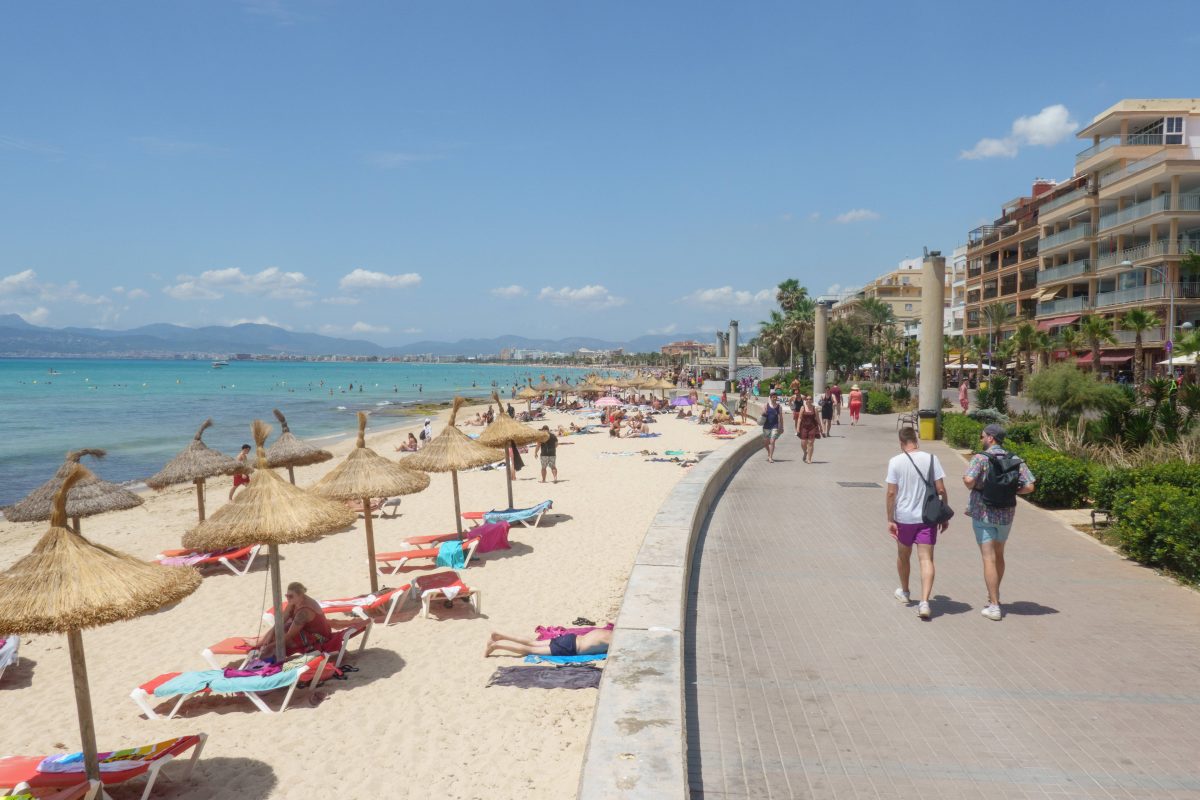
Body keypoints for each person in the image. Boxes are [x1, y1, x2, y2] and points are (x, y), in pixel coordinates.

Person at [962, 424, 1036, 622]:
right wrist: (1012, 491)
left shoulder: (980, 458)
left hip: (983, 513)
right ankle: (994, 593)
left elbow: (969, 480)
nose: (981, 439)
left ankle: (994, 605)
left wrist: (977, 484)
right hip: (1006, 514)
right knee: (999, 554)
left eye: (982, 436)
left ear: (991, 438)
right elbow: (1029, 486)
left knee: (988, 558)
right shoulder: (1015, 459)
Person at [885, 427, 949, 619]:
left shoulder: (895, 461)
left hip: (904, 517)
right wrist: (943, 514)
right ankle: (924, 602)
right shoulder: (931, 459)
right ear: (916, 439)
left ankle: (905, 592)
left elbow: (891, 492)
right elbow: (941, 489)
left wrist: (890, 518)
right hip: (926, 518)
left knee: (903, 556)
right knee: (926, 559)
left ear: (901, 442)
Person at [255, 581, 332, 655]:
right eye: (287, 596)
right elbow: (281, 620)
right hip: (307, 630)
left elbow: (289, 635)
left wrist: (270, 646)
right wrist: (271, 634)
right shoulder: (296, 601)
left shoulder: (304, 612)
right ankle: (261, 642)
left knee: (282, 637)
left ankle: (261, 643)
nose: (288, 598)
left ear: (301, 595)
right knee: (279, 630)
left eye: (291, 596)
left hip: (320, 637)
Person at [485, 627, 612, 658]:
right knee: (531, 650)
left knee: (532, 643)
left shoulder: (607, 631)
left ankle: (500, 635)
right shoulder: (611, 640)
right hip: (572, 647)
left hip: (571, 638)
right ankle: (496, 645)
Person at [796, 395, 821, 463]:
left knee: (810, 443)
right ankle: (805, 452)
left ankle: (809, 459)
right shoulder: (802, 408)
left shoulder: (814, 408)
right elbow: (799, 418)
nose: (808, 400)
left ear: (812, 400)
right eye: (807, 399)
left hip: (812, 427)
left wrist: (821, 427)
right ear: (805, 400)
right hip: (804, 427)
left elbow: (818, 419)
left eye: (810, 399)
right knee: (803, 443)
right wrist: (797, 428)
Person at [761, 392, 784, 463]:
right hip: (766, 426)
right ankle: (769, 452)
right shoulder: (766, 405)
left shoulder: (779, 407)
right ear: (770, 398)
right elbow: (762, 414)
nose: (775, 398)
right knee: (765, 443)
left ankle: (770, 457)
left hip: (775, 426)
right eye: (773, 397)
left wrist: (781, 427)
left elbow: (781, 417)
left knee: (772, 441)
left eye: (775, 397)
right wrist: (763, 412)